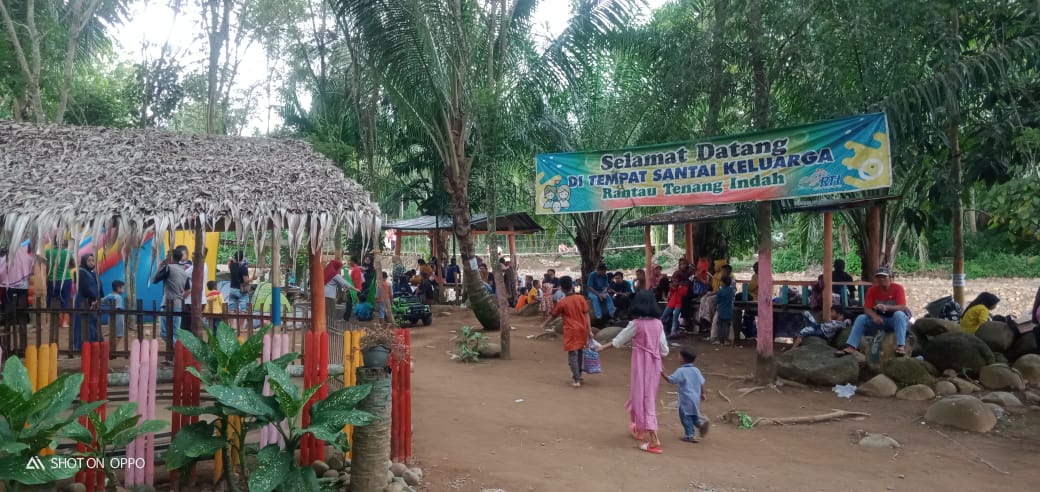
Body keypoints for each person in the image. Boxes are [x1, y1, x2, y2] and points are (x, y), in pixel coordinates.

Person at [596, 290, 669, 454]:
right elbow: (664, 350)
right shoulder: (658, 324)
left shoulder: (636, 324)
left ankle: (654, 440)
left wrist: (602, 348)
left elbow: (618, 341)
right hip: (654, 365)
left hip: (641, 365)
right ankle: (640, 428)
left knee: (643, 397)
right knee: (645, 396)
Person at [836, 267, 909, 357]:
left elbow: (902, 307)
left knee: (899, 314)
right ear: (876, 279)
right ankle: (851, 346)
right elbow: (867, 308)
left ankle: (901, 345)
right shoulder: (872, 290)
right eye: (879, 277)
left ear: (890, 278)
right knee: (861, 318)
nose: (881, 279)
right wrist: (874, 316)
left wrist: (886, 307)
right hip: (880, 320)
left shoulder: (898, 288)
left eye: (884, 277)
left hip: (895, 320)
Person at [541, 276, 592, 388]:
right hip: (582, 329)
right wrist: (590, 330)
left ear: (562, 289)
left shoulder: (563, 303)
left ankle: (576, 379)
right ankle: (579, 375)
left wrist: (544, 324)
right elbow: (586, 314)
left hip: (571, 331)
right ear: (572, 286)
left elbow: (553, 315)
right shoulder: (581, 298)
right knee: (579, 353)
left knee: (572, 355)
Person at [661, 347, 710, 443]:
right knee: (694, 414)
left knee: (685, 417)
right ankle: (700, 424)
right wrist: (702, 393)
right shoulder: (696, 370)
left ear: (683, 359)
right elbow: (701, 383)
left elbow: (671, 380)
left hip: (685, 399)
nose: (678, 357)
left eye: (679, 356)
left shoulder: (681, 371)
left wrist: (662, 373)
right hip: (695, 398)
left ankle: (689, 435)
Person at [155, 248, 191, 342]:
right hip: (178, 304)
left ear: (171, 257)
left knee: (164, 332)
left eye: (167, 256)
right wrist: (179, 297)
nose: (166, 257)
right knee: (175, 333)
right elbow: (188, 289)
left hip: (167, 304)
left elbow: (155, 280)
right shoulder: (184, 272)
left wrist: (160, 266)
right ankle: (176, 353)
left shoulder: (168, 268)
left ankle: (176, 352)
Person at [74, 253, 102, 348]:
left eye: (93, 260)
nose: (91, 263)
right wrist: (92, 299)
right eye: (89, 260)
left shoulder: (92, 273)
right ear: (84, 261)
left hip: (93, 302)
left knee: (92, 324)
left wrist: (99, 298)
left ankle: (92, 344)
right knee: (82, 324)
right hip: (84, 302)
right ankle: (81, 346)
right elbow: (85, 287)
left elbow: (99, 286)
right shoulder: (80, 272)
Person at [44, 245, 75, 328]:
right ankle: (65, 322)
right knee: (65, 300)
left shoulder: (48, 252)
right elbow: (73, 264)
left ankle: (49, 322)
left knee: (50, 300)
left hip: (53, 279)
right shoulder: (67, 252)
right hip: (66, 278)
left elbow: (45, 266)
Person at [227, 251, 252, 317]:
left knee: (231, 310)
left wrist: (233, 259)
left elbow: (230, 261)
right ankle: (241, 327)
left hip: (232, 289)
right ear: (242, 258)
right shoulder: (243, 268)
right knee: (243, 311)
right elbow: (246, 280)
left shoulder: (231, 266)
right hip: (241, 291)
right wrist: (253, 278)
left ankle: (231, 325)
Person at [714, 276, 736, 345]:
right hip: (728, 310)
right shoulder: (731, 290)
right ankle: (726, 340)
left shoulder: (720, 291)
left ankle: (718, 339)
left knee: (719, 325)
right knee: (726, 326)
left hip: (721, 310)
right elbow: (733, 296)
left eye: (721, 282)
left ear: (723, 283)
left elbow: (717, 300)